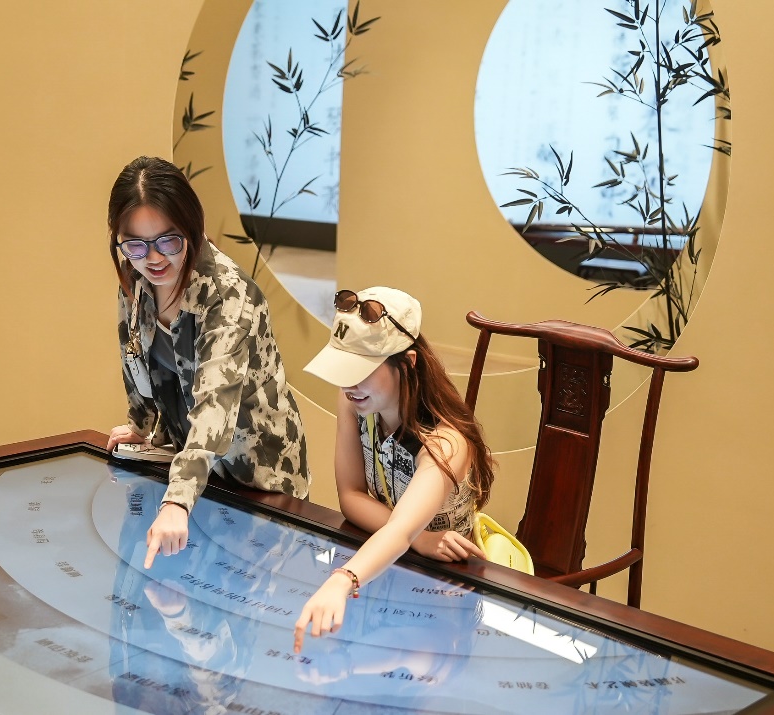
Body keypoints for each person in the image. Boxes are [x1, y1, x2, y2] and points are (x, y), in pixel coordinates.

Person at [103, 156, 310, 570]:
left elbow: (215, 403)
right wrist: (141, 424)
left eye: (168, 241)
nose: (152, 258)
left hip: (260, 480)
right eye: (135, 244)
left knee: (235, 599)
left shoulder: (227, 293)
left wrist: (177, 502)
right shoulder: (136, 279)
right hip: (197, 472)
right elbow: (135, 357)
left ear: (193, 227)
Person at [292, 287, 496, 652]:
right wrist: (420, 539)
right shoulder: (354, 400)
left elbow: (399, 530)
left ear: (408, 363)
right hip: (390, 563)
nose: (349, 384)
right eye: (343, 369)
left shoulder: (445, 443)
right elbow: (350, 496)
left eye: (361, 370)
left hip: (446, 591)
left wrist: (342, 579)